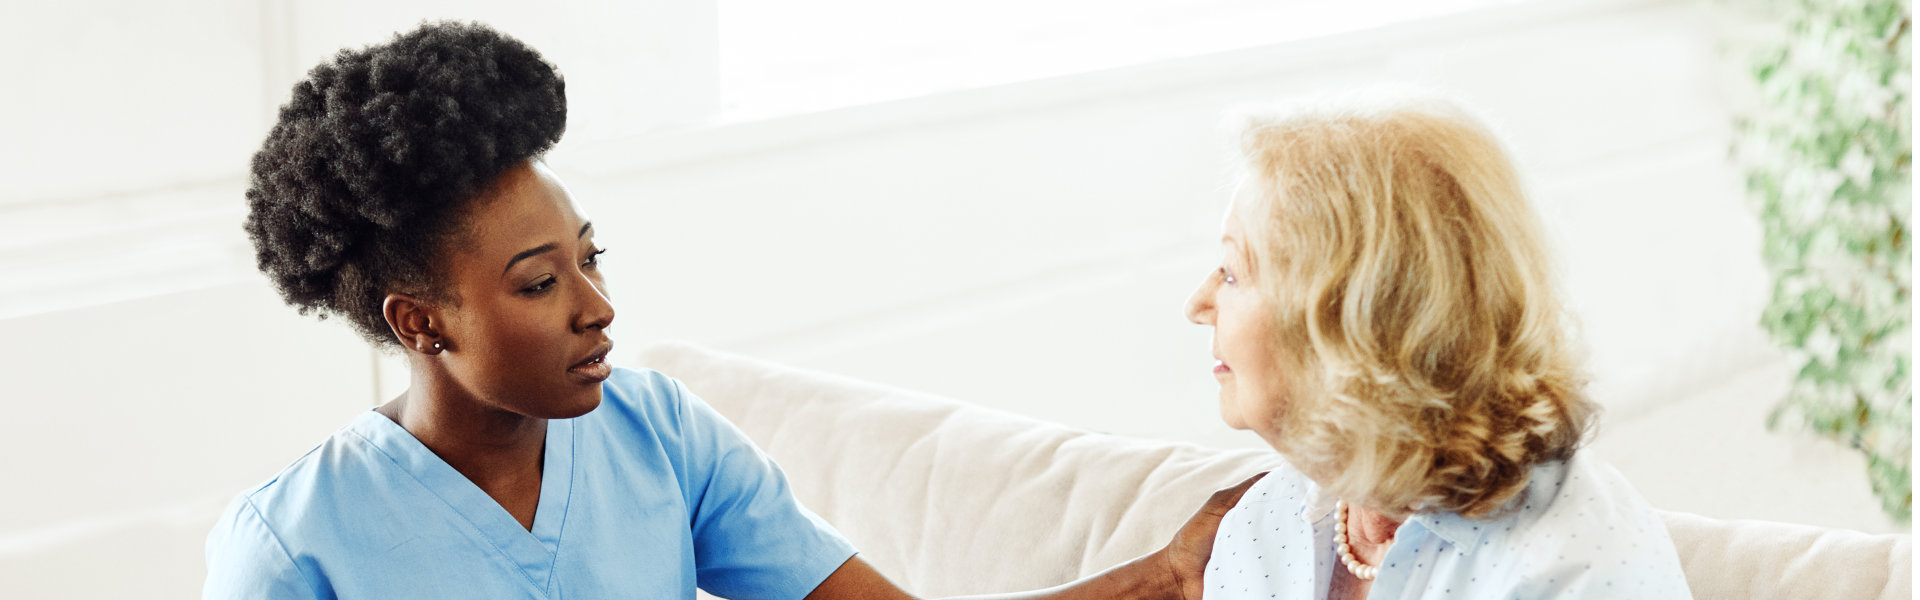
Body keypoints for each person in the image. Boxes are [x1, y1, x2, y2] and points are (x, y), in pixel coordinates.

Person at [204, 20, 1253, 600]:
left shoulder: (656, 432)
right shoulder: (294, 546)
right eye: (539, 282)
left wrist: (1163, 576)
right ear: (420, 322)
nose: (597, 307)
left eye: (590, 258)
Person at [1182, 93, 1694, 599]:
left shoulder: (1574, 565)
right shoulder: (1261, 526)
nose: (1198, 304)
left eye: (1231, 273)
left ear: (1351, 317)